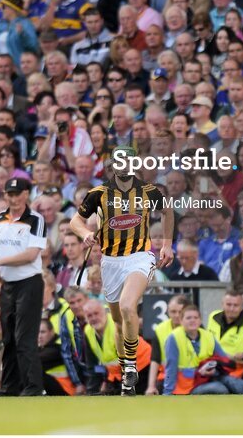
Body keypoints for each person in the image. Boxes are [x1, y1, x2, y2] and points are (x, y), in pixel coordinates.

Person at [70, 146, 174, 395]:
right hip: (110, 261)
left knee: (129, 306)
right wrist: (84, 234)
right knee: (117, 322)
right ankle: (125, 365)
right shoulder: (98, 194)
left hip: (139, 257)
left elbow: (168, 211)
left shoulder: (149, 191)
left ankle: (130, 367)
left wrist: (167, 245)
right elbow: (76, 220)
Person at [0, 178, 48, 397]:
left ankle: (33, 386)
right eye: (9, 194)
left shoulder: (35, 219)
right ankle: (9, 387)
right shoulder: (1, 219)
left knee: (24, 337)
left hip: (29, 283)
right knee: (9, 338)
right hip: (8, 285)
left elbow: (31, 256)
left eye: (16, 193)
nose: (12, 198)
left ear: (26, 194)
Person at [163, 304, 243, 395]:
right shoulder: (174, 338)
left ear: (200, 320)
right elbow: (170, 369)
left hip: (207, 378)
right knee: (220, 388)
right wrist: (167, 393)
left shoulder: (208, 336)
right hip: (187, 386)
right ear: (181, 321)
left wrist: (215, 369)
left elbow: (225, 361)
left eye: (195, 317)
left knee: (230, 380)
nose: (192, 320)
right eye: (188, 318)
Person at [207, 291, 243, 385]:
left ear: (242, 307)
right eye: (228, 304)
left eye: (235, 305)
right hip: (211, 364)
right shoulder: (213, 317)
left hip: (235, 369)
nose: (231, 309)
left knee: (220, 387)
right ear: (222, 305)